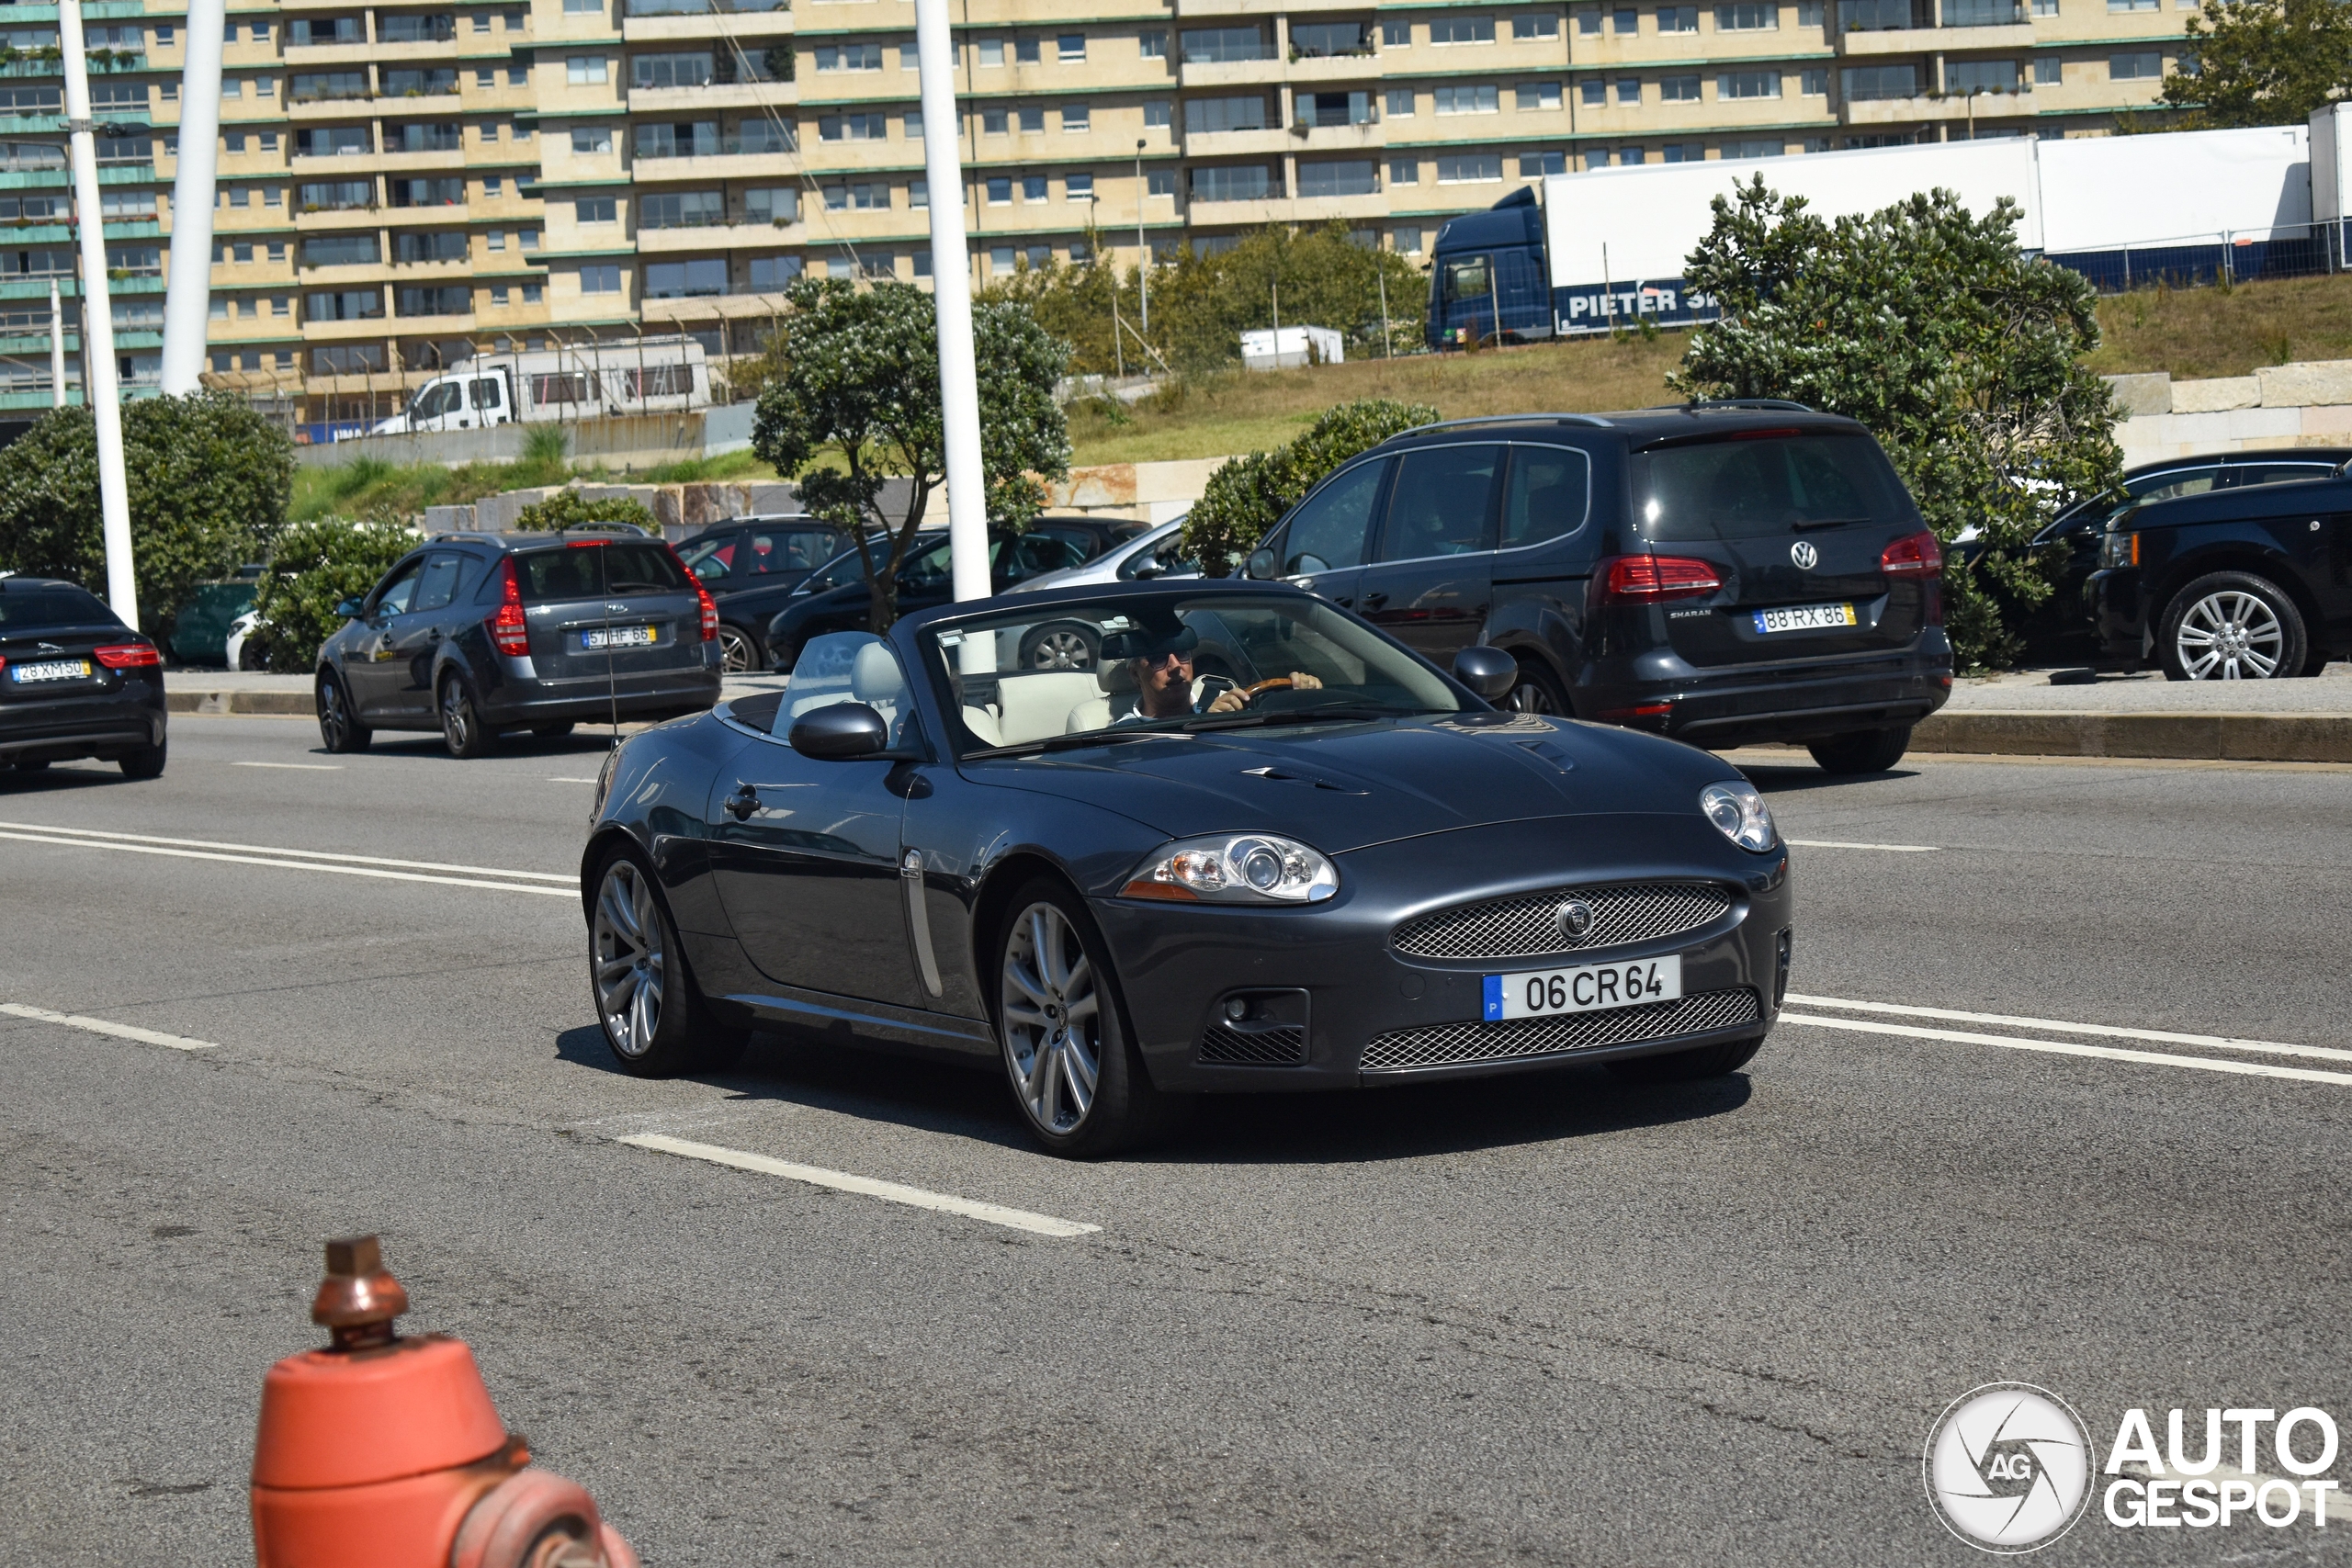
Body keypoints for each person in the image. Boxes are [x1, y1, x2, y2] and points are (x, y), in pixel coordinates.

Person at [1118, 623, 1320, 721]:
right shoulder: (1118, 737)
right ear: (1135, 674)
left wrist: (1303, 695)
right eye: (1158, 658)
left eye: (1182, 653)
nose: (1175, 665)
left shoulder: (1231, 701)